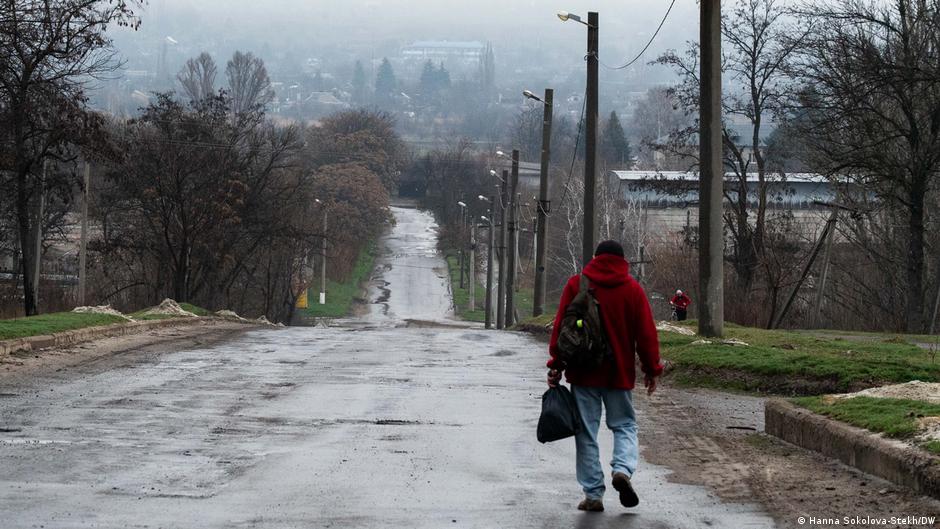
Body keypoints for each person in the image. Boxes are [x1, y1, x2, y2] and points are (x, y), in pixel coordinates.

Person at [546, 240, 663, 512]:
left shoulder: (577, 285)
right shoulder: (632, 290)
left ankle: (593, 494)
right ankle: (622, 469)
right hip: (619, 374)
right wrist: (651, 370)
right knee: (624, 426)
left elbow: (562, 330)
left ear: (596, 258)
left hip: (583, 374)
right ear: (623, 262)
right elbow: (646, 336)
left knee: (586, 432)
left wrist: (556, 365)